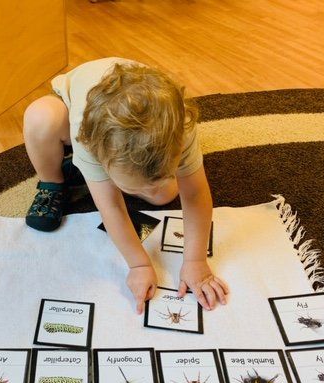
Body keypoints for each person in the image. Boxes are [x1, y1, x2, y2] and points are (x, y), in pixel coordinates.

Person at [23, 58, 228, 313]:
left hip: (128, 124)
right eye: (132, 188)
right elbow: (111, 207)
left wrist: (196, 260)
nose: (147, 193)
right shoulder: (85, 137)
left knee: (164, 196)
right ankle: (52, 181)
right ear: (100, 157)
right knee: (41, 117)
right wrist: (139, 265)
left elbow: (195, 193)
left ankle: (99, 175)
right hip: (66, 108)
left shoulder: (182, 128)